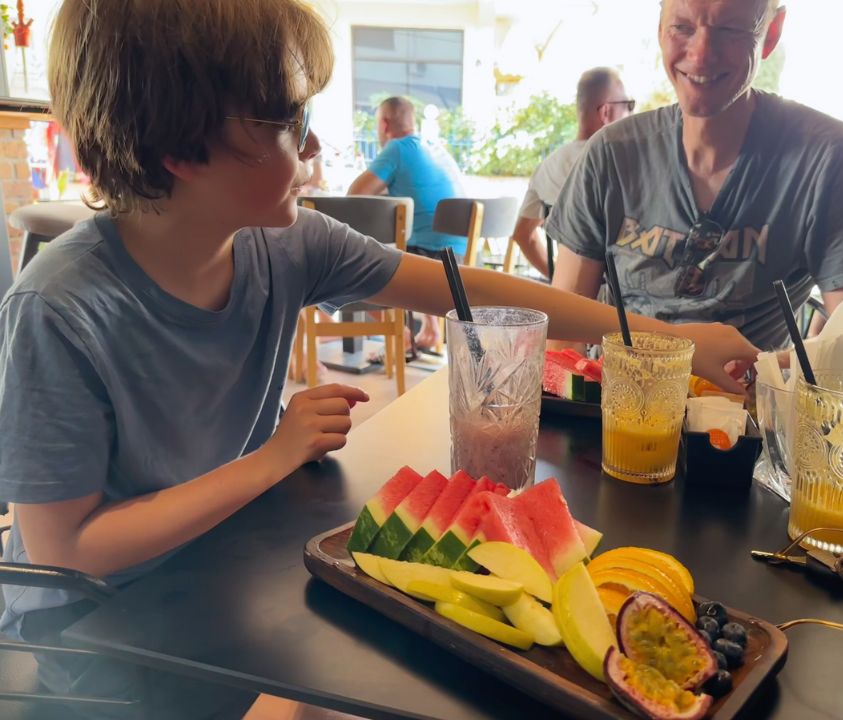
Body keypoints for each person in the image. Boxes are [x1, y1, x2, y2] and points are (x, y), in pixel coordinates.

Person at [0, 1, 758, 717]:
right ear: (181, 150)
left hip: (214, 561)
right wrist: (273, 457)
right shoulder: (59, 309)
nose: (318, 147)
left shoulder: (284, 242)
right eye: (287, 121)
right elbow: (70, 547)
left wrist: (668, 339)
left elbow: (467, 291)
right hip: (95, 627)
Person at [546, 0, 843, 374]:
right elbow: (561, 334)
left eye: (730, 30)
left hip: (749, 415)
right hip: (621, 409)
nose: (701, 56)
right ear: (660, 28)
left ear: (771, 33)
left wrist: (756, 366)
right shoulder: (612, 153)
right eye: (682, 27)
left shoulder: (827, 157)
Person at [348, 96, 465, 350]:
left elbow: (355, 196)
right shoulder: (435, 147)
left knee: (353, 265)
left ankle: (399, 334)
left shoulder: (397, 148)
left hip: (431, 257)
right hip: (458, 257)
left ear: (384, 124)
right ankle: (430, 329)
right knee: (407, 237)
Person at [510, 67, 633, 277]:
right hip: (624, 299)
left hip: (574, 297)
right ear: (606, 112)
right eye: (628, 105)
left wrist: (559, 279)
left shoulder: (548, 166)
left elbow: (523, 236)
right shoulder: (627, 165)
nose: (632, 113)